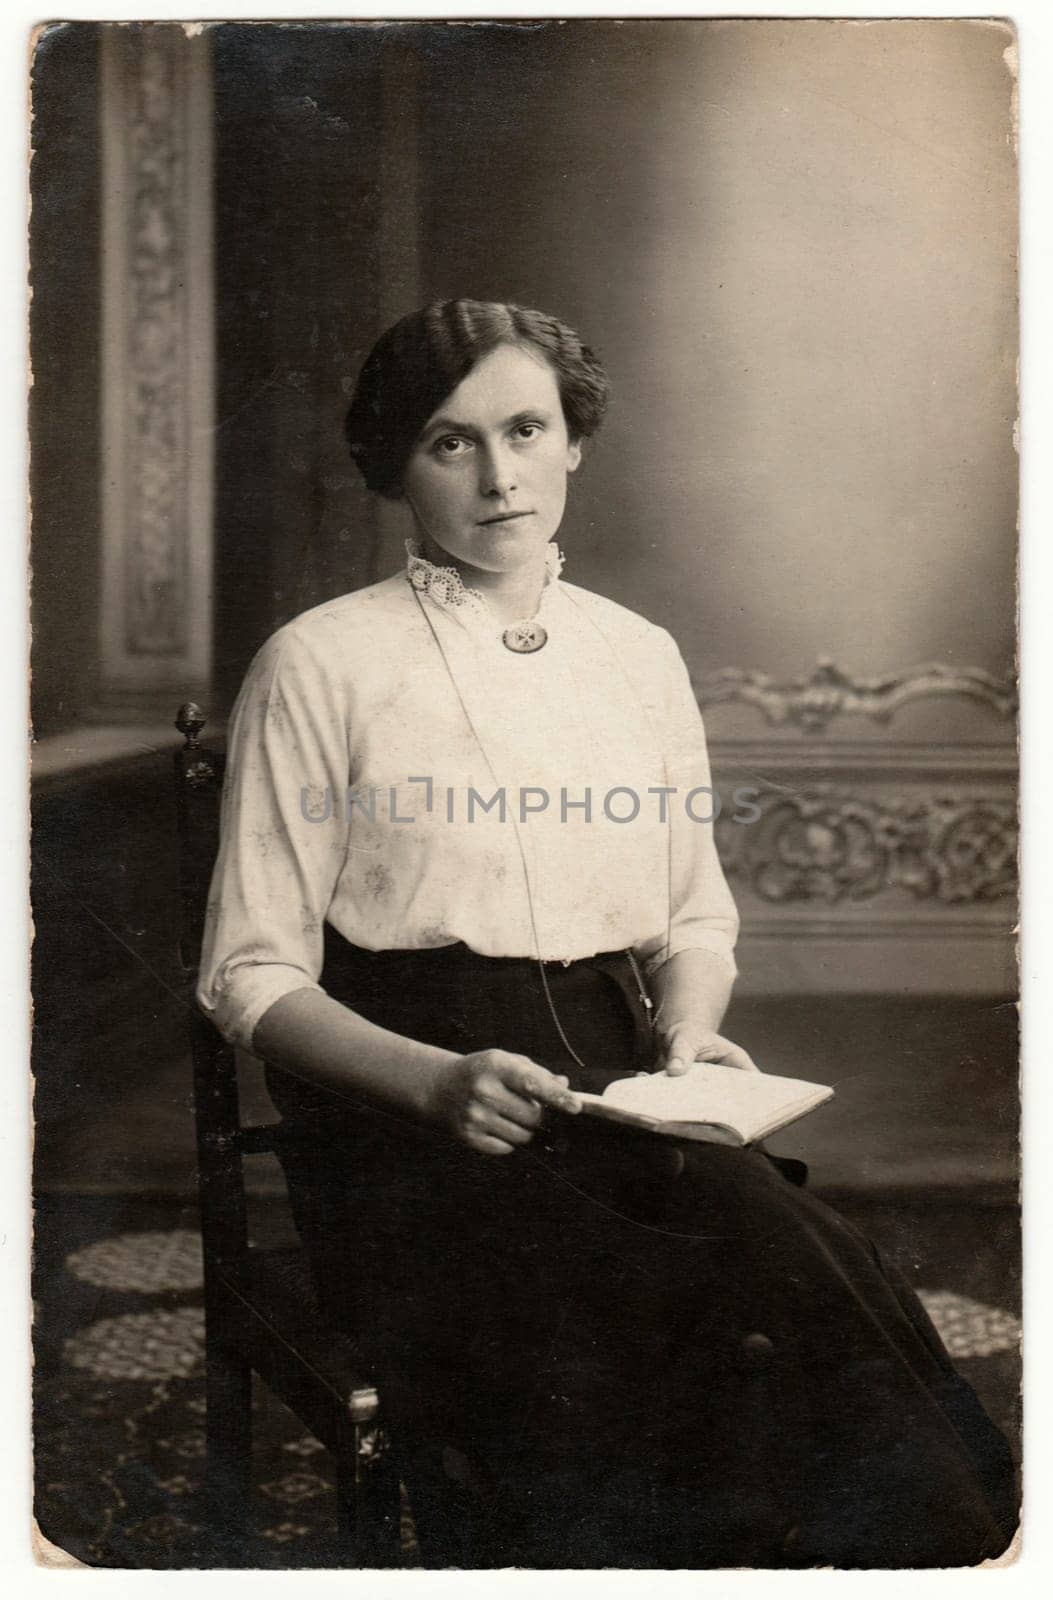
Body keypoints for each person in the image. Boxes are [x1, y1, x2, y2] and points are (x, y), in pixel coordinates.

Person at [198, 299, 1016, 1568]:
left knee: (809, 1272)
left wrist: (692, 1035)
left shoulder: (636, 657)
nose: (500, 472)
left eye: (526, 428)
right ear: (393, 465)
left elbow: (691, 914)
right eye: (448, 442)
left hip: (618, 1088)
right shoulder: (320, 665)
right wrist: (436, 1082)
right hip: (411, 1124)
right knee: (700, 1303)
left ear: (574, 439)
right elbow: (249, 975)